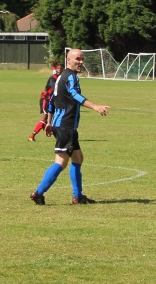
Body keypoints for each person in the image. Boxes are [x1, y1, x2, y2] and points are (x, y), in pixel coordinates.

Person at [30, 48, 110, 205]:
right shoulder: (70, 77)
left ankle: (77, 196)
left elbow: (51, 101)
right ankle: (38, 193)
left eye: (82, 59)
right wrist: (95, 106)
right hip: (66, 125)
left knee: (78, 158)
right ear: (68, 60)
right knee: (61, 162)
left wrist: (49, 122)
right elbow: (74, 94)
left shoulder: (61, 77)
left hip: (62, 125)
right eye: (77, 59)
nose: (81, 62)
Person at [29, 61, 61, 140]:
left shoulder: (59, 78)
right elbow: (55, 89)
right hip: (46, 100)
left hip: (50, 101)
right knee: (44, 119)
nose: (60, 70)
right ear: (55, 69)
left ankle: (51, 133)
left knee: (48, 119)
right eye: (58, 68)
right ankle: (31, 136)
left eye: (61, 69)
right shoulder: (53, 78)